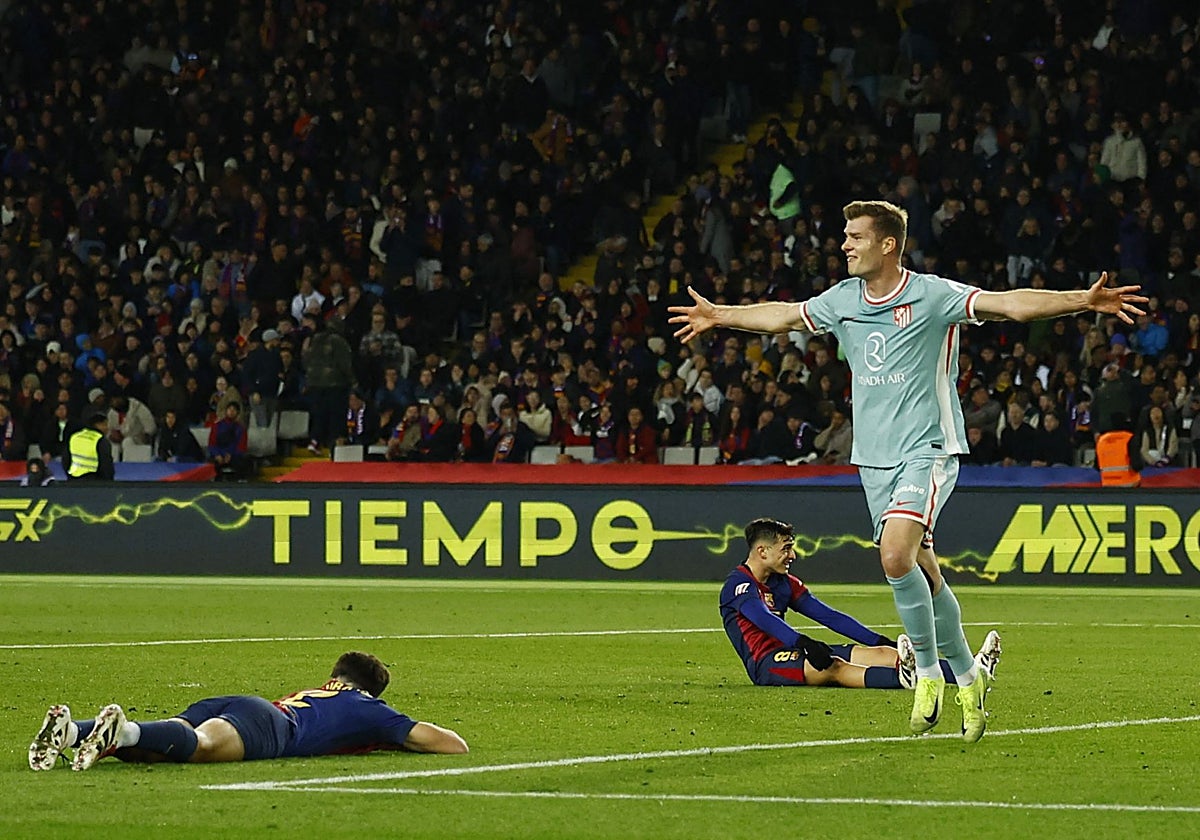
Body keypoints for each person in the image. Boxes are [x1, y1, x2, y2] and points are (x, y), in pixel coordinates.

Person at [671, 199, 1144, 741]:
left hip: (929, 448)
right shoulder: (843, 300)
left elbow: (1010, 305)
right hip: (873, 460)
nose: (844, 244)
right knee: (924, 569)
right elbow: (782, 315)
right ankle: (967, 675)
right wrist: (718, 315)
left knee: (895, 555)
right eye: (844, 235)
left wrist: (1082, 300)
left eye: (855, 236)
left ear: (887, 244)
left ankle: (924, 673)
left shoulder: (932, 295)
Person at [29, 651, 467, 772]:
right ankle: (119, 733)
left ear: (334, 675)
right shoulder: (369, 709)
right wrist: (393, 736)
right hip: (271, 726)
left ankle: (69, 732)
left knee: (163, 745)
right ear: (370, 690)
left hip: (239, 703)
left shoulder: (320, 691)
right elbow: (452, 746)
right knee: (198, 747)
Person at [63, 412, 115, 481]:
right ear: (98, 424)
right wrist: (108, 481)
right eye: (105, 424)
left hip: (73, 479)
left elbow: (66, 459)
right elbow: (106, 463)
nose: (107, 428)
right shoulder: (100, 440)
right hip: (93, 481)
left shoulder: (75, 436)